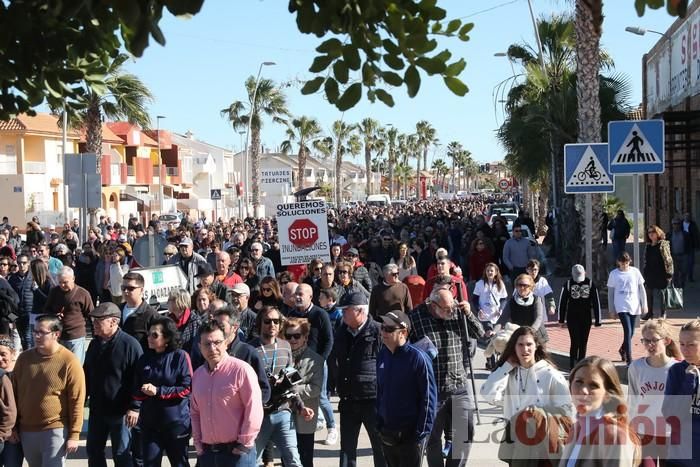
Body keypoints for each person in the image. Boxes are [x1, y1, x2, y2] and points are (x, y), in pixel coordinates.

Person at [408, 287, 477, 467]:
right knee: (432, 437)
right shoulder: (415, 317)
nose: (450, 311)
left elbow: (479, 333)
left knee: (466, 432)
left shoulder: (457, 313)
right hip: (432, 389)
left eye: (452, 306)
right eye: (446, 309)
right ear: (433, 305)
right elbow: (405, 350)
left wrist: (468, 314)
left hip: (458, 384)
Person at [13, 315, 85, 467]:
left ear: (56, 334)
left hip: (55, 430)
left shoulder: (69, 361)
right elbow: (14, 394)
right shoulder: (24, 359)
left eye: (42, 332)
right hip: (27, 430)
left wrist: (74, 434)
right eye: (34, 331)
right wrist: (12, 427)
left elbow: (77, 400)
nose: (37, 335)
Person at [191, 320, 263, 467]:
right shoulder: (198, 375)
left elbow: (254, 408)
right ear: (200, 347)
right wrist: (198, 444)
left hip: (237, 453)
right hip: (208, 454)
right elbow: (195, 412)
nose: (212, 348)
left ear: (225, 343)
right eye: (207, 344)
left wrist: (244, 444)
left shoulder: (241, 370)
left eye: (217, 342)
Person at [247, 306, 311, 467]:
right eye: (267, 321)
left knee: (293, 460)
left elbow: (292, 382)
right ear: (259, 323)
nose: (272, 325)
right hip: (259, 415)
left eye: (276, 321)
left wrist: (301, 407)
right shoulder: (249, 349)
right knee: (251, 461)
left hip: (283, 412)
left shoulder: (285, 346)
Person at [83, 302, 143, 467]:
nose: (93, 324)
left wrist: (135, 406)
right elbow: (86, 374)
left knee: (121, 454)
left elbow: (139, 379)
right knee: (94, 451)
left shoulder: (130, 345)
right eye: (93, 320)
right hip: (97, 410)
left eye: (98, 320)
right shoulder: (94, 344)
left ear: (113, 322)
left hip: (121, 412)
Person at [376, 310, 437, 467]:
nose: (383, 332)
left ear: (403, 332)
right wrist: (379, 422)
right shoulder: (383, 355)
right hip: (388, 431)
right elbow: (380, 391)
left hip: (410, 434)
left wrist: (421, 433)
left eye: (389, 329)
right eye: (382, 327)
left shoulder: (418, 358)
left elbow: (429, 398)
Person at [333, 291, 386, 467]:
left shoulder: (378, 331)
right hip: (348, 398)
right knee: (347, 450)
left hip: (373, 400)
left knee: (380, 448)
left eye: (346, 310)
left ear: (359, 311)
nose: (342, 313)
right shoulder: (341, 331)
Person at [132, 316, 192, 467]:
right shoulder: (144, 358)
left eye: (155, 335)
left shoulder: (180, 357)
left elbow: (187, 388)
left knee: (179, 463)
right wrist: (139, 395)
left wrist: (158, 391)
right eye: (149, 334)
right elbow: (135, 388)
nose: (149, 338)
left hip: (175, 423)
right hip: (150, 424)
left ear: (167, 338)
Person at [560, 356, 641, 466]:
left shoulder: (615, 437)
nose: (583, 390)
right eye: (579, 381)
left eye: (593, 385)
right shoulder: (576, 428)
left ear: (607, 394)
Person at [480, 326, 572, 422]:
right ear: (514, 347)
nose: (525, 349)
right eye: (520, 345)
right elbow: (487, 393)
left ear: (536, 346)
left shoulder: (550, 374)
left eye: (529, 344)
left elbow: (565, 409)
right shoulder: (509, 373)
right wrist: (505, 367)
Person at [627, 319, 681, 466]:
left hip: (670, 434)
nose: (649, 345)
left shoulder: (677, 368)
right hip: (644, 432)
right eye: (645, 341)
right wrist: (630, 429)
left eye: (654, 340)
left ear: (666, 341)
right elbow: (632, 400)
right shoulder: (636, 367)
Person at [284, 317, 324, 467]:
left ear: (305, 337)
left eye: (296, 336)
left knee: (305, 460)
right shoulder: (281, 356)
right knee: (287, 460)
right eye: (288, 336)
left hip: (305, 419)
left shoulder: (316, 360)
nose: (292, 340)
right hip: (284, 417)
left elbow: (315, 388)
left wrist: (290, 391)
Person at [211, 305, 271, 403]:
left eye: (221, 326)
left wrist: (248, 411)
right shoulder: (210, 351)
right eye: (215, 325)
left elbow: (264, 391)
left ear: (234, 328)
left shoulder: (249, 353)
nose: (217, 329)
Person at [662, 319, 700, 467]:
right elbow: (671, 416)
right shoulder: (677, 371)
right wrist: (689, 380)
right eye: (682, 344)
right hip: (680, 456)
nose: (685, 350)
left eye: (691, 344)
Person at [43, 266, 94, 364]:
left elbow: (91, 315)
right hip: (58, 335)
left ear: (73, 278)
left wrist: (95, 335)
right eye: (60, 282)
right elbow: (46, 310)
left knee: (75, 365)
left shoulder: (83, 294)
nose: (62, 285)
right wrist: (54, 315)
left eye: (65, 282)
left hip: (76, 336)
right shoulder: (54, 292)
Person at [607, 252, 647, 365]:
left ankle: (622, 349)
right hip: (621, 305)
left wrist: (644, 304)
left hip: (634, 304)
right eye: (622, 263)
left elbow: (641, 288)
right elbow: (611, 293)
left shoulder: (635, 272)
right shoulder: (614, 274)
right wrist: (611, 309)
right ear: (618, 262)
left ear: (630, 261)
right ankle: (629, 359)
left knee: (632, 332)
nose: (625, 265)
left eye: (627, 262)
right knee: (627, 330)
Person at [558, 265, 601, 369]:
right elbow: (562, 302)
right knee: (575, 341)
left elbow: (596, 302)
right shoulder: (568, 284)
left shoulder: (590, 284)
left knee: (583, 342)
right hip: (572, 317)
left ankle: (581, 365)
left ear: (585, 273)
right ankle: (572, 366)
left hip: (586, 317)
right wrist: (561, 319)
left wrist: (598, 320)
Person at [471, 262, 508, 369]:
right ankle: (492, 362)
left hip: (496, 315)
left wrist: (501, 309)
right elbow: (474, 299)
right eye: (488, 271)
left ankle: (492, 360)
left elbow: (504, 299)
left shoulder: (500, 284)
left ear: (496, 272)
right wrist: (479, 309)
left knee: (495, 338)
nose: (489, 272)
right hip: (484, 315)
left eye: (492, 271)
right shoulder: (480, 284)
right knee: (489, 334)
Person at [499, 273, 547, 346]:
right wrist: (494, 331)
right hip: (519, 335)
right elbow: (502, 318)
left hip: (536, 335)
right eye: (519, 285)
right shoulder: (511, 301)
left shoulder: (536, 300)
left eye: (525, 285)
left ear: (531, 287)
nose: (522, 288)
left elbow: (539, 318)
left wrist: (530, 331)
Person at [118, 272, 159, 351]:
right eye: (123, 288)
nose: (126, 291)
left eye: (130, 288)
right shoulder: (117, 310)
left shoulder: (151, 315)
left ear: (141, 290)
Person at [642, 225, 673, 320]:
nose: (651, 234)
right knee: (649, 292)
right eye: (649, 232)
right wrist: (645, 272)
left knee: (662, 294)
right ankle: (650, 312)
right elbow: (645, 260)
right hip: (650, 273)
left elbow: (668, 260)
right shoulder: (648, 246)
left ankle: (663, 313)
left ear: (657, 233)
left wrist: (669, 273)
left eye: (653, 232)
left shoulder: (663, 244)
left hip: (661, 273)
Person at [0, 335, 20, 467]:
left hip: (16, 433)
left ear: (12, 354)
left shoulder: (21, 373)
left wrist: (12, 429)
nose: (0, 359)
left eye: (3, 354)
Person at [8, 254, 32, 350]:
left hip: (30, 313)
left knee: (28, 338)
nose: (21, 265)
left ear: (28, 263)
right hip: (18, 313)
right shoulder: (13, 279)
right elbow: (8, 299)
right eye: (19, 263)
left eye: (24, 263)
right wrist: (11, 317)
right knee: (22, 338)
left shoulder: (33, 276)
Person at [166, 288, 201, 355]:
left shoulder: (195, 322)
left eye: (170, 300)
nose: (167, 302)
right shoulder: (167, 321)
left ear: (178, 301)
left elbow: (197, 348)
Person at [668, 218, 691, 289]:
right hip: (674, 256)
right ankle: (676, 287)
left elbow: (689, 244)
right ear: (672, 225)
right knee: (675, 272)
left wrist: (688, 252)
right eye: (674, 224)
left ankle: (682, 284)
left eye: (678, 224)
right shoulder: (669, 234)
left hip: (684, 255)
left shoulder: (685, 234)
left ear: (680, 225)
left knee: (684, 271)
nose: (676, 225)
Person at [682, 212, 700, 282]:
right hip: (682, 245)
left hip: (691, 245)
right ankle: (683, 276)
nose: (687, 217)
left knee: (691, 262)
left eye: (688, 216)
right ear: (684, 217)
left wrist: (697, 245)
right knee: (683, 262)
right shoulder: (680, 224)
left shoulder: (693, 224)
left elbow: (696, 235)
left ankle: (690, 277)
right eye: (686, 216)